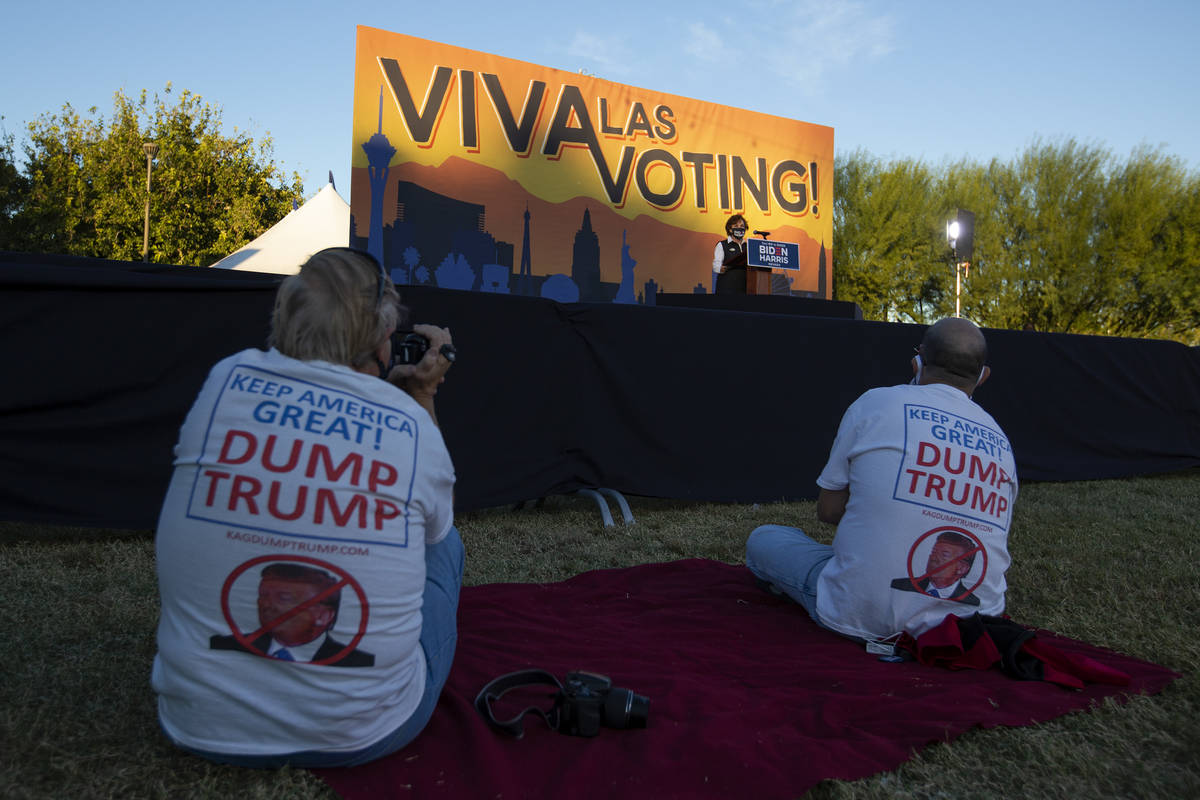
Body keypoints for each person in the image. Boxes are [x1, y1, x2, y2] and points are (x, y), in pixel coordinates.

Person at [152, 247, 461, 768]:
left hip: (196, 727)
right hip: (366, 733)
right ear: (382, 340)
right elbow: (437, 526)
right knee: (444, 546)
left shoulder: (225, 380)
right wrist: (422, 395)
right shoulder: (407, 423)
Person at [745, 317, 1018, 642]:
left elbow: (829, 511)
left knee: (765, 538)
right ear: (983, 375)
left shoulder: (876, 403)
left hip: (857, 614)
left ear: (917, 362)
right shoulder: (1000, 440)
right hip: (971, 628)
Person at [209, 562, 377, 666]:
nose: (266, 605)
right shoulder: (224, 645)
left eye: (283, 598)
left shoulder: (356, 662)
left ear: (323, 616)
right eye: (263, 595)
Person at [712, 214, 749, 294]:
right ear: (730, 229)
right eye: (736, 225)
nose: (739, 228)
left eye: (742, 226)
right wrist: (720, 268)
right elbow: (716, 265)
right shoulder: (722, 245)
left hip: (745, 288)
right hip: (727, 287)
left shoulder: (749, 246)